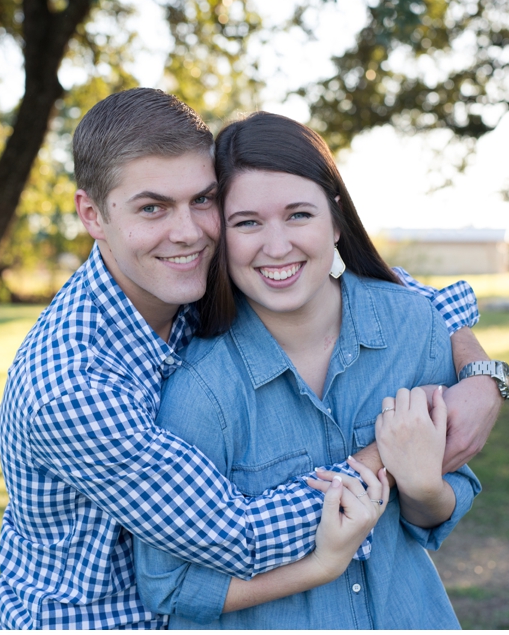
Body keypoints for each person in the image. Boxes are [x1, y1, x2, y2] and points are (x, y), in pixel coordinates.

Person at [0, 90, 506, 629]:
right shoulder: (74, 389)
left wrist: (483, 377)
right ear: (92, 214)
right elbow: (236, 534)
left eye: (203, 200)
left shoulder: (188, 285)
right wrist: (395, 447)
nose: (189, 231)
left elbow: (406, 301)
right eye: (152, 208)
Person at [134, 113, 484, 628]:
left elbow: (441, 509)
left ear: (336, 220)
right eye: (247, 222)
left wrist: (424, 488)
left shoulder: (416, 328)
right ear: (220, 238)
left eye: (298, 215)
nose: (276, 247)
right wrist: (320, 564)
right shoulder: (200, 391)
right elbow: (170, 584)